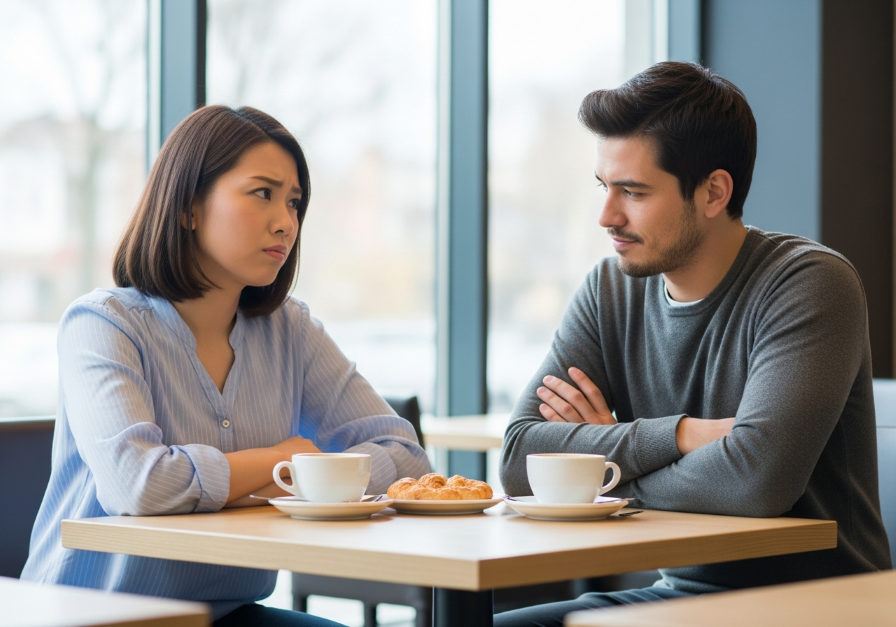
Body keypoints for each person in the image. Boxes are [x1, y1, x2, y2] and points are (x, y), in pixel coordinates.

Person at [497, 62, 891, 626]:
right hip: (684, 598)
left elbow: (758, 481)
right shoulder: (610, 289)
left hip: (821, 607)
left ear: (713, 192)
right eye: (604, 187)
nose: (607, 216)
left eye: (633, 191)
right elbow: (518, 458)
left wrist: (604, 459)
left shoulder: (809, 282)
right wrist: (683, 436)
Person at [21, 105, 431, 626]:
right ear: (189, 206)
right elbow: (138, 485)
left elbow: (406, 455)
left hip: (227, 613)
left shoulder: (290, 330)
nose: (286, 222)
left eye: (295, 202)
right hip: (94, 614)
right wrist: (282, 461)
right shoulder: (102, 324)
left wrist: (291, 474)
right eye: (262, 193)